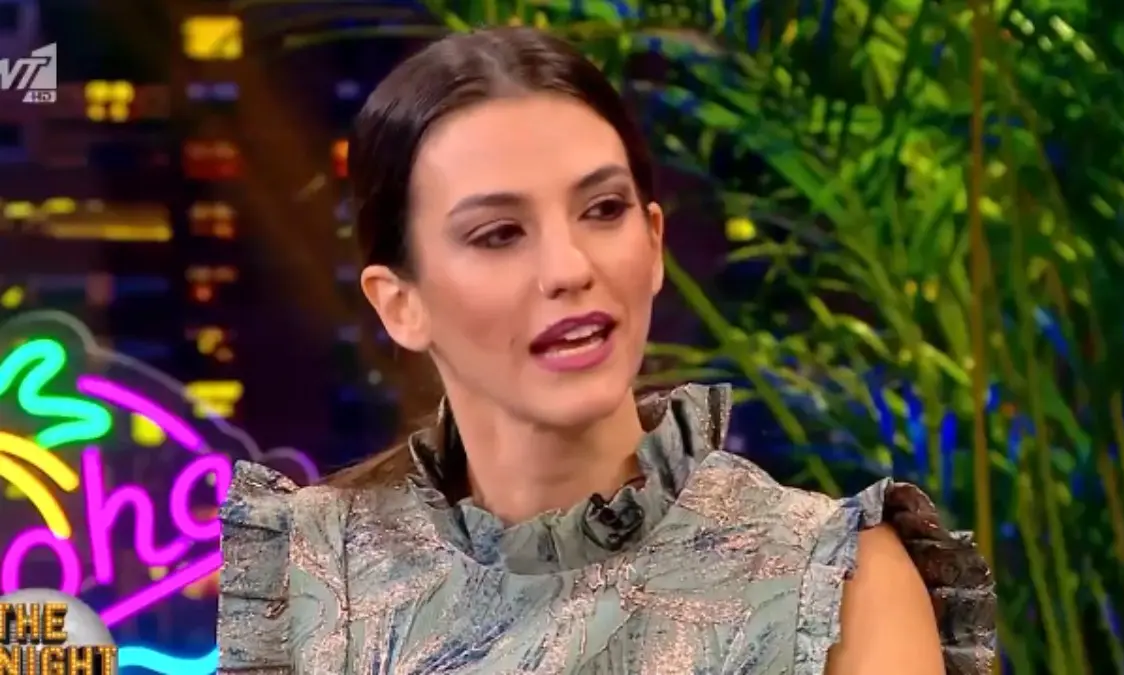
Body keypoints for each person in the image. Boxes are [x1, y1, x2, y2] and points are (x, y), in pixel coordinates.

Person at [217, 27, 995, 674]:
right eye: (499, 233)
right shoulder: (313, 581)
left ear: (653, 244)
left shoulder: (829, 582)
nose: (568, 268)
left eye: (603, 209)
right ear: (401, 303)